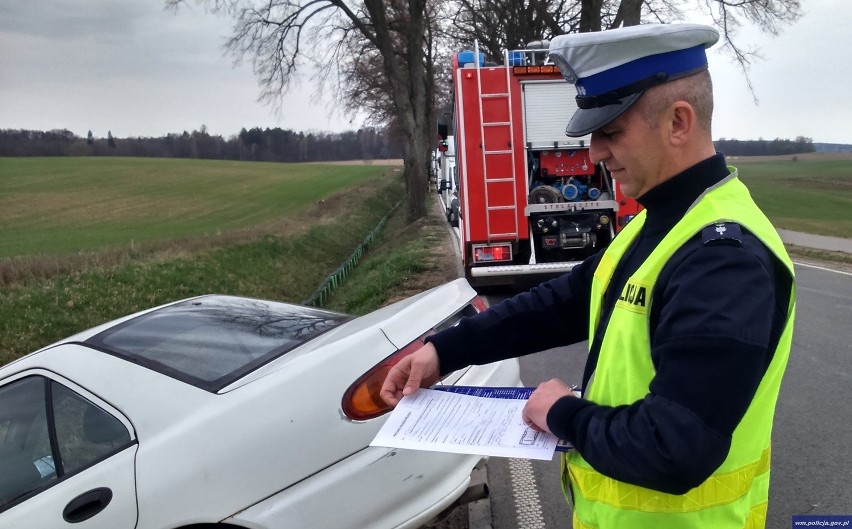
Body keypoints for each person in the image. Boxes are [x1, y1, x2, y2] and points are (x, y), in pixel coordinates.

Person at [380, 23, 796, 529]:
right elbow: (567, 301)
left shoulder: (723, 259)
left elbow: (675, 447)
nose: (595, 152)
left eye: (612, 131)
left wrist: (562, 415)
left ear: (679, 123)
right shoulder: (659, 219)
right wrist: (445, 350)